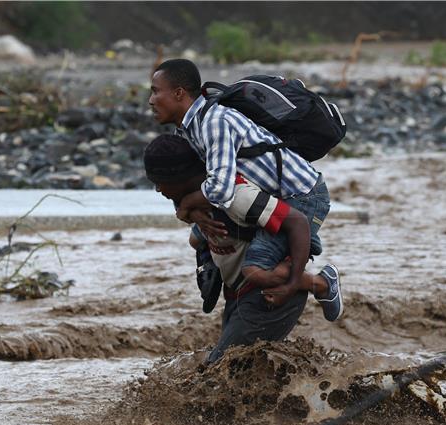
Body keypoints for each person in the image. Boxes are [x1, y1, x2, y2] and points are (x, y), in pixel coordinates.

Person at [148, 58, 341, 319]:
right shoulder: (187, 130)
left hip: (302, 196)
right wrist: (191, 212)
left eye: (155, 91)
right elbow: (193, 179)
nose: (150, 100)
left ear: (179, 93)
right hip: (264, 197)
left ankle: (322, 282)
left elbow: (221, 189)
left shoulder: (214, 122)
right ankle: (221, 268)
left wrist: (186, 205)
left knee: (257, 270)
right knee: (196, 238)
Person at [143, 134, 337, 363]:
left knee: (217, 374)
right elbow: (197, 238)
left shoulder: (236, 196)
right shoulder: (194, 203)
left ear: (178, 178)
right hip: (237, 296)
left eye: (158, 182)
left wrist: (293, 282)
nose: (157, 190)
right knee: (242, 382)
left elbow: (298, 222)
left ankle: (321, 283)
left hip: (269, 296)